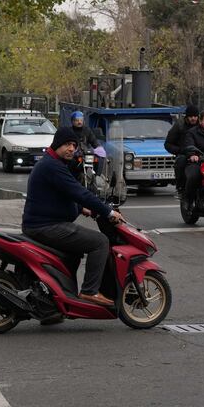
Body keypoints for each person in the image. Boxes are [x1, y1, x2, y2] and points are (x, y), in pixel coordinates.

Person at [21, 127, 123, 307]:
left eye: (74, 146)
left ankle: (61, 300)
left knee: (74, 253)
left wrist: (81, 208)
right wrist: (107, 211)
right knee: (100, 242)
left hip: (43, 224)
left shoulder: (53, 163)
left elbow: (59, 195)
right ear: (57, 144)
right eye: (67, 144)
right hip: (45, 226)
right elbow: (79, 192)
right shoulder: (52, 166)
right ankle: (89, 291)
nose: (71, 149)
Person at [164, 105, 199, 198]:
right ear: (186, 116)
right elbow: (168, 144)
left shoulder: (201, 125)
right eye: (191, 116)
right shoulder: (179, 125)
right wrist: (180, 151)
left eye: (195, 116)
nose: (193, 118)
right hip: (184, 154)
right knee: (180, 162)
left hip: (200, 153)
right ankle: (180, 188)